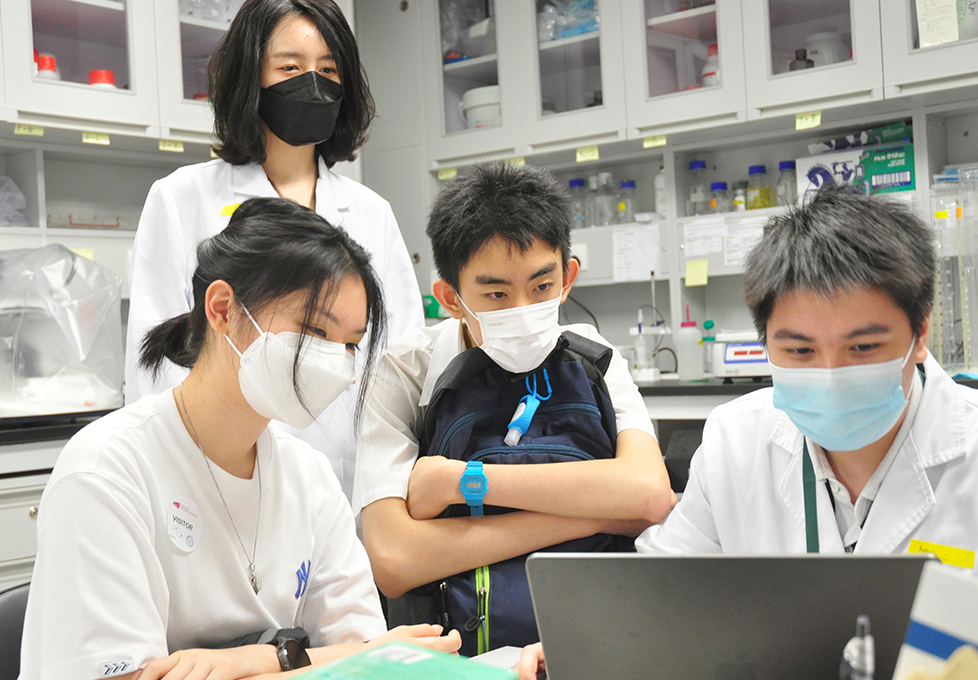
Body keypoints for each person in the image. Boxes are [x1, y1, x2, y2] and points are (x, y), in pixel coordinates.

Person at [515, 186, 978, 680]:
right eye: (799, 351)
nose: (830, 374)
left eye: (862, 348)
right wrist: (590, 640)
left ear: (921, 331)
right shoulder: (737, 439)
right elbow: (659, 594)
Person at [20, 198, 458, 680]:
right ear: (223, 309)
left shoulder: (306, 476)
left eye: (351, 344)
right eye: (314, 330)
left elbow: (370, 661)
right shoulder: (107, 469)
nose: (337, 363)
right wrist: (301, 656)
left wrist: (244, 661)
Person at [355, 162, 676, 648]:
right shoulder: (404, 372)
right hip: (461, 650)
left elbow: (648, 495)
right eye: (497, 294)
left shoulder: (593, 357)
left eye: (542, 287)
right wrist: (599, 512)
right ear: (451, 297)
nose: (523, 309)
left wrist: (460, 481)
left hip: (593, 635)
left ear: (568, 277)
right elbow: (395, 563)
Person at [124, 0, 422, 499]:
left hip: (345, 477)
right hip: (216, 477)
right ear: (249, 77)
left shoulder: (370, 212)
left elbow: (400, 359)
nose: (313, 82)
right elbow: (153, 364)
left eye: (328, 70)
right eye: (290, 67)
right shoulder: (182, 198)